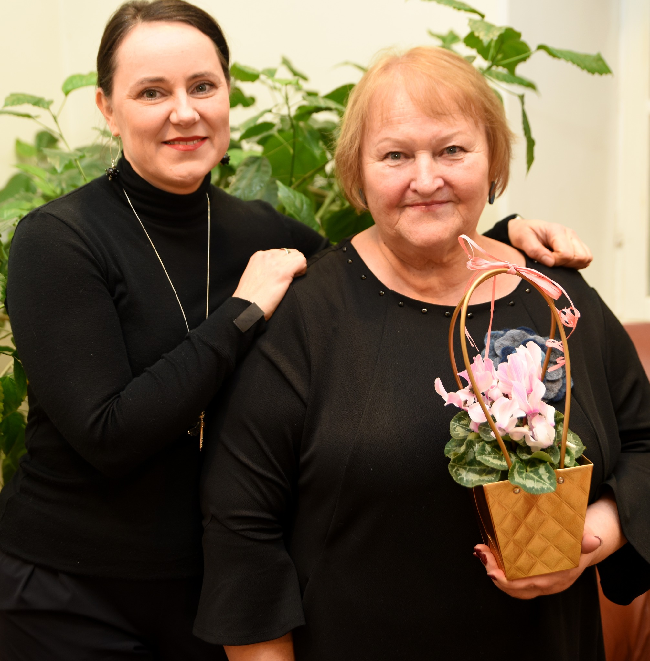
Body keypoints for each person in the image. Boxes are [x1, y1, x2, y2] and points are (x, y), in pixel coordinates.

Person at [0, 2, 590, 658]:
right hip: (71, 592)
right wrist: (242, 312)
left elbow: (380, 264)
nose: (184, 111)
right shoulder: (58, 241)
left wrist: (499, 238)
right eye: (151, 92)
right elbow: (108, 434)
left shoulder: (259, 228)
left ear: (228, 94)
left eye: (203, 86)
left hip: (203, 593)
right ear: (107, 109)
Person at [194, 46, 650, 661]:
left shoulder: (557, 297)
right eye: (395, 155)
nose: (427, 179)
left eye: (453, 150)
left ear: (493, 160)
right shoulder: (304, 318)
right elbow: (242, 536)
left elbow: (645, 444)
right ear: (356, 174)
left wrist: (587, 538)